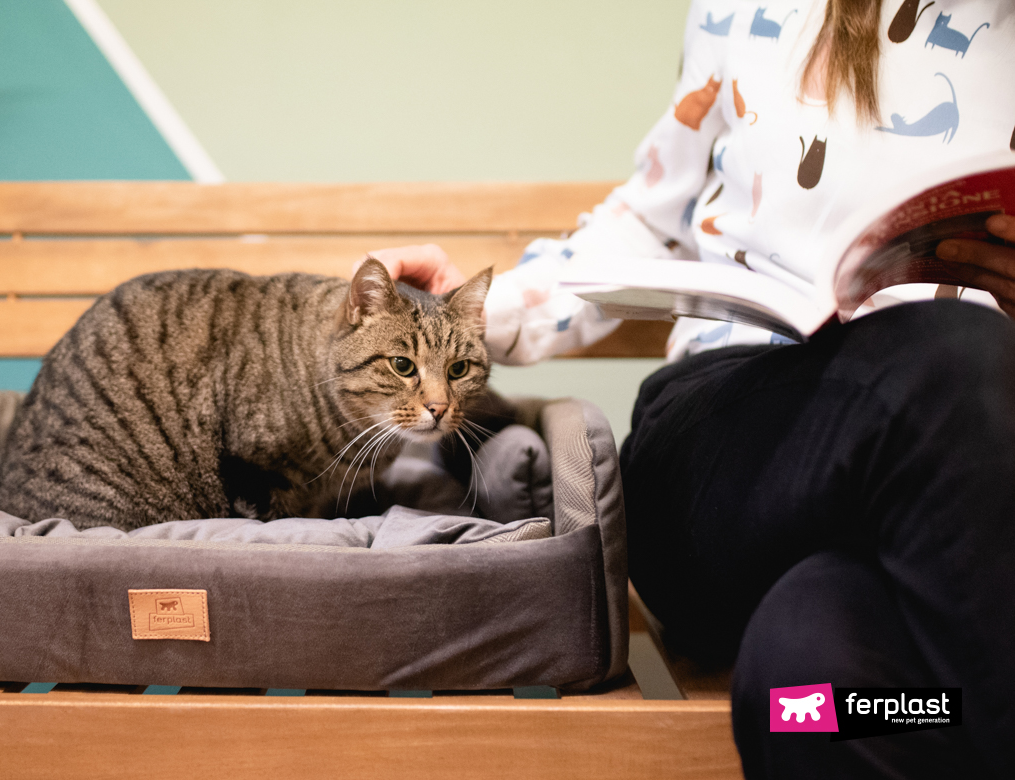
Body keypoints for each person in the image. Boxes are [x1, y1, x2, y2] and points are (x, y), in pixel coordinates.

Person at [364, 1, 1015, 777]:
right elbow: (648, 218)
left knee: (807, 689)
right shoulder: (741, 8)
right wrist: (464, 319)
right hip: (729, 458)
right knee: (951, 357)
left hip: (956, 506)